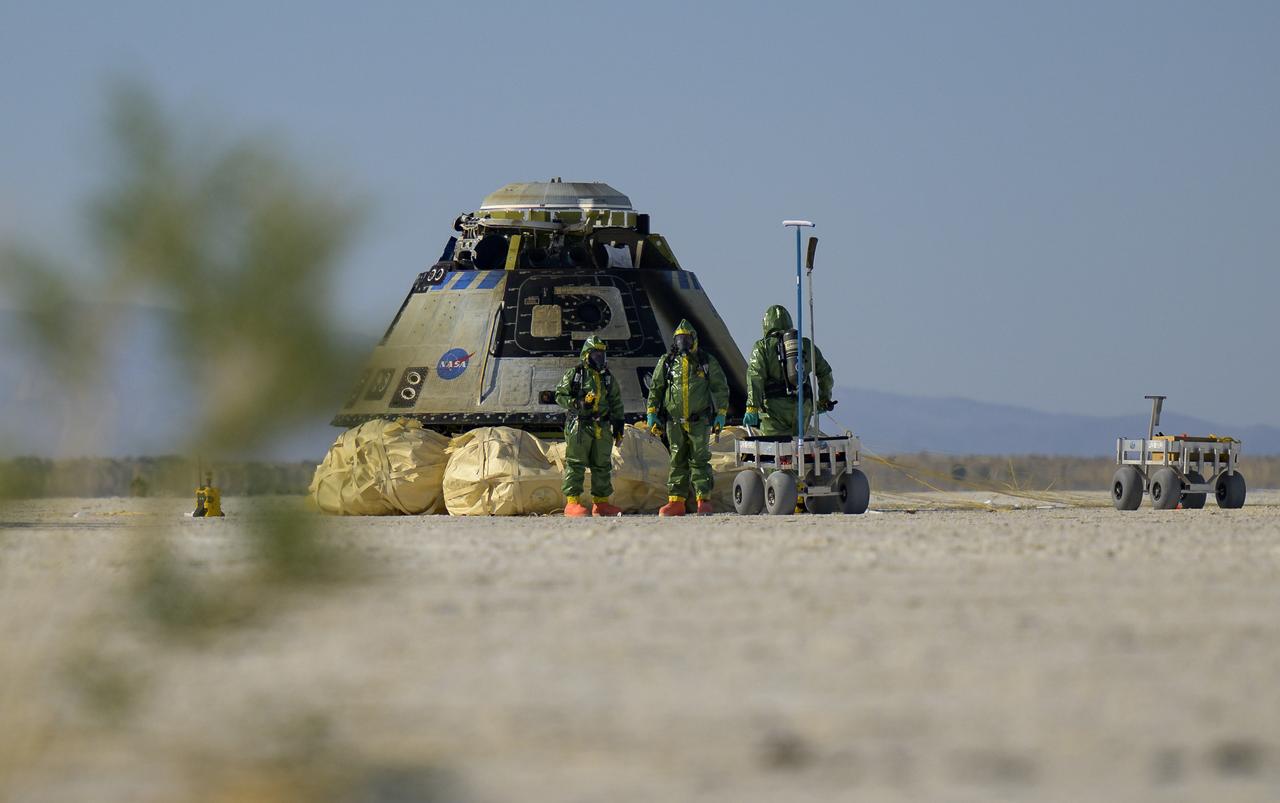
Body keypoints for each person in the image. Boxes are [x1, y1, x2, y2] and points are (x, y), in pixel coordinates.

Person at [646, 319, 729, 516]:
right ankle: (676, 501)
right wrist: (651, 413)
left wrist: (721, 414)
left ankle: (703, 500)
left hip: (699, 421)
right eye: (679, 339)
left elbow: (720, 388)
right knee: (677, 459)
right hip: (673, 421)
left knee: (700, 459)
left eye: (687, 338)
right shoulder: (667, 362)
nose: (683, 342)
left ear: (694, 339)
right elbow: (656, 388)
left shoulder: (706, 362)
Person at [555, 336, 625, 517]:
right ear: (587, 355)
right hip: (580, 425)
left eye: (602, 353)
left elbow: (616, 401)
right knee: (576, 463)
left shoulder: (607, 378)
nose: (599, 357)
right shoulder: (576, 374)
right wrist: (577, 403)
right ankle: (572, 503)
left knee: (602, 465)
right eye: (596, 353)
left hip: (602, 426)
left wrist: (618, 424)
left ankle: (601, 504)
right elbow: (559, 395)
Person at [743, 305, 835, 437]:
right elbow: (825, 373)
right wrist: (824, 400)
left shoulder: (762, 348)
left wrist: (752, 407)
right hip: (802, 408)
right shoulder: (806, 345)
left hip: (774, 411)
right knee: (798, 446)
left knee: (778, 449)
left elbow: (755, 377)